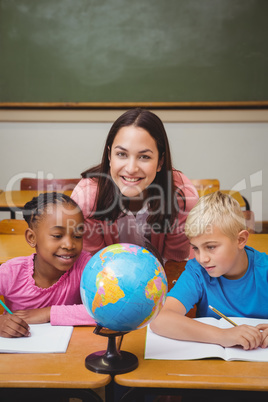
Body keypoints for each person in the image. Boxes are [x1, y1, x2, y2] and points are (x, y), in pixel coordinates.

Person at [72, 108, 198, 263]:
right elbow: (95, 266)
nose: (131, 169)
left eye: (144, 156)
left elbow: (174, 265)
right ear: (110, 156)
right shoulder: (86, 199)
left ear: (160, 162)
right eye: (121, 154)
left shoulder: (182, 197)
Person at [150, 191, 268, 350]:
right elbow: (160, 320)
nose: (202, 258)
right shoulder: (198, 272)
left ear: (240, 240)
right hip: (212, 368)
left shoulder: (264, 270)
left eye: (211, 247)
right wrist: (223, 335)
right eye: (196, 248)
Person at [0, 192, 95, 338]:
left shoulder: (85, 266)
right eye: (57, 236)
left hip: (68, 353)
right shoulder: (11, 272)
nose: (69, 245)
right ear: (32, 238)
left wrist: (48, 313)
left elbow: (105, 312)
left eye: (77, 236)